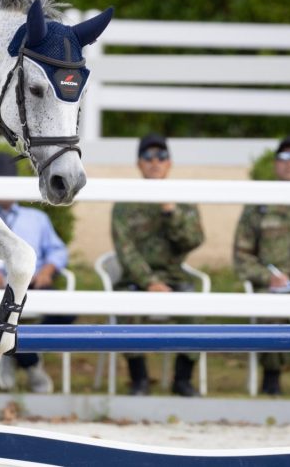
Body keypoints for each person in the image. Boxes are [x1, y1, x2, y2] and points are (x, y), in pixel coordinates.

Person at [110, 133, 205, 397]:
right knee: (127, 308)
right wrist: (150, 281)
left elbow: (194, 240)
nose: (155, 162)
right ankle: (139, 380)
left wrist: (171, 212)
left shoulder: (182, 200)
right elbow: (125, 250)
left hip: (174, 277)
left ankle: (183, 380)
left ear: (169, 163)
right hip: (135, 279)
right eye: (148, 157)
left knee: (193, 309)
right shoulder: (125, 203)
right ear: (139, 164)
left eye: (161, 157)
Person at [0, 152, 74, 393]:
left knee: (68, 312)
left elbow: (58, 251)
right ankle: (30, 364)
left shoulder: (36, 218)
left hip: (32, 282)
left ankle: (12, 354)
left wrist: (48, 270)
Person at [233, 134, 290, 396]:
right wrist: (267, 277)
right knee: (269, 312)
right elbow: (242, 256)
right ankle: (271, 379)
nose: (289, 164)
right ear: (275, 165)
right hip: (276, 288)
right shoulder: (259, 205)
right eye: (283, 157)